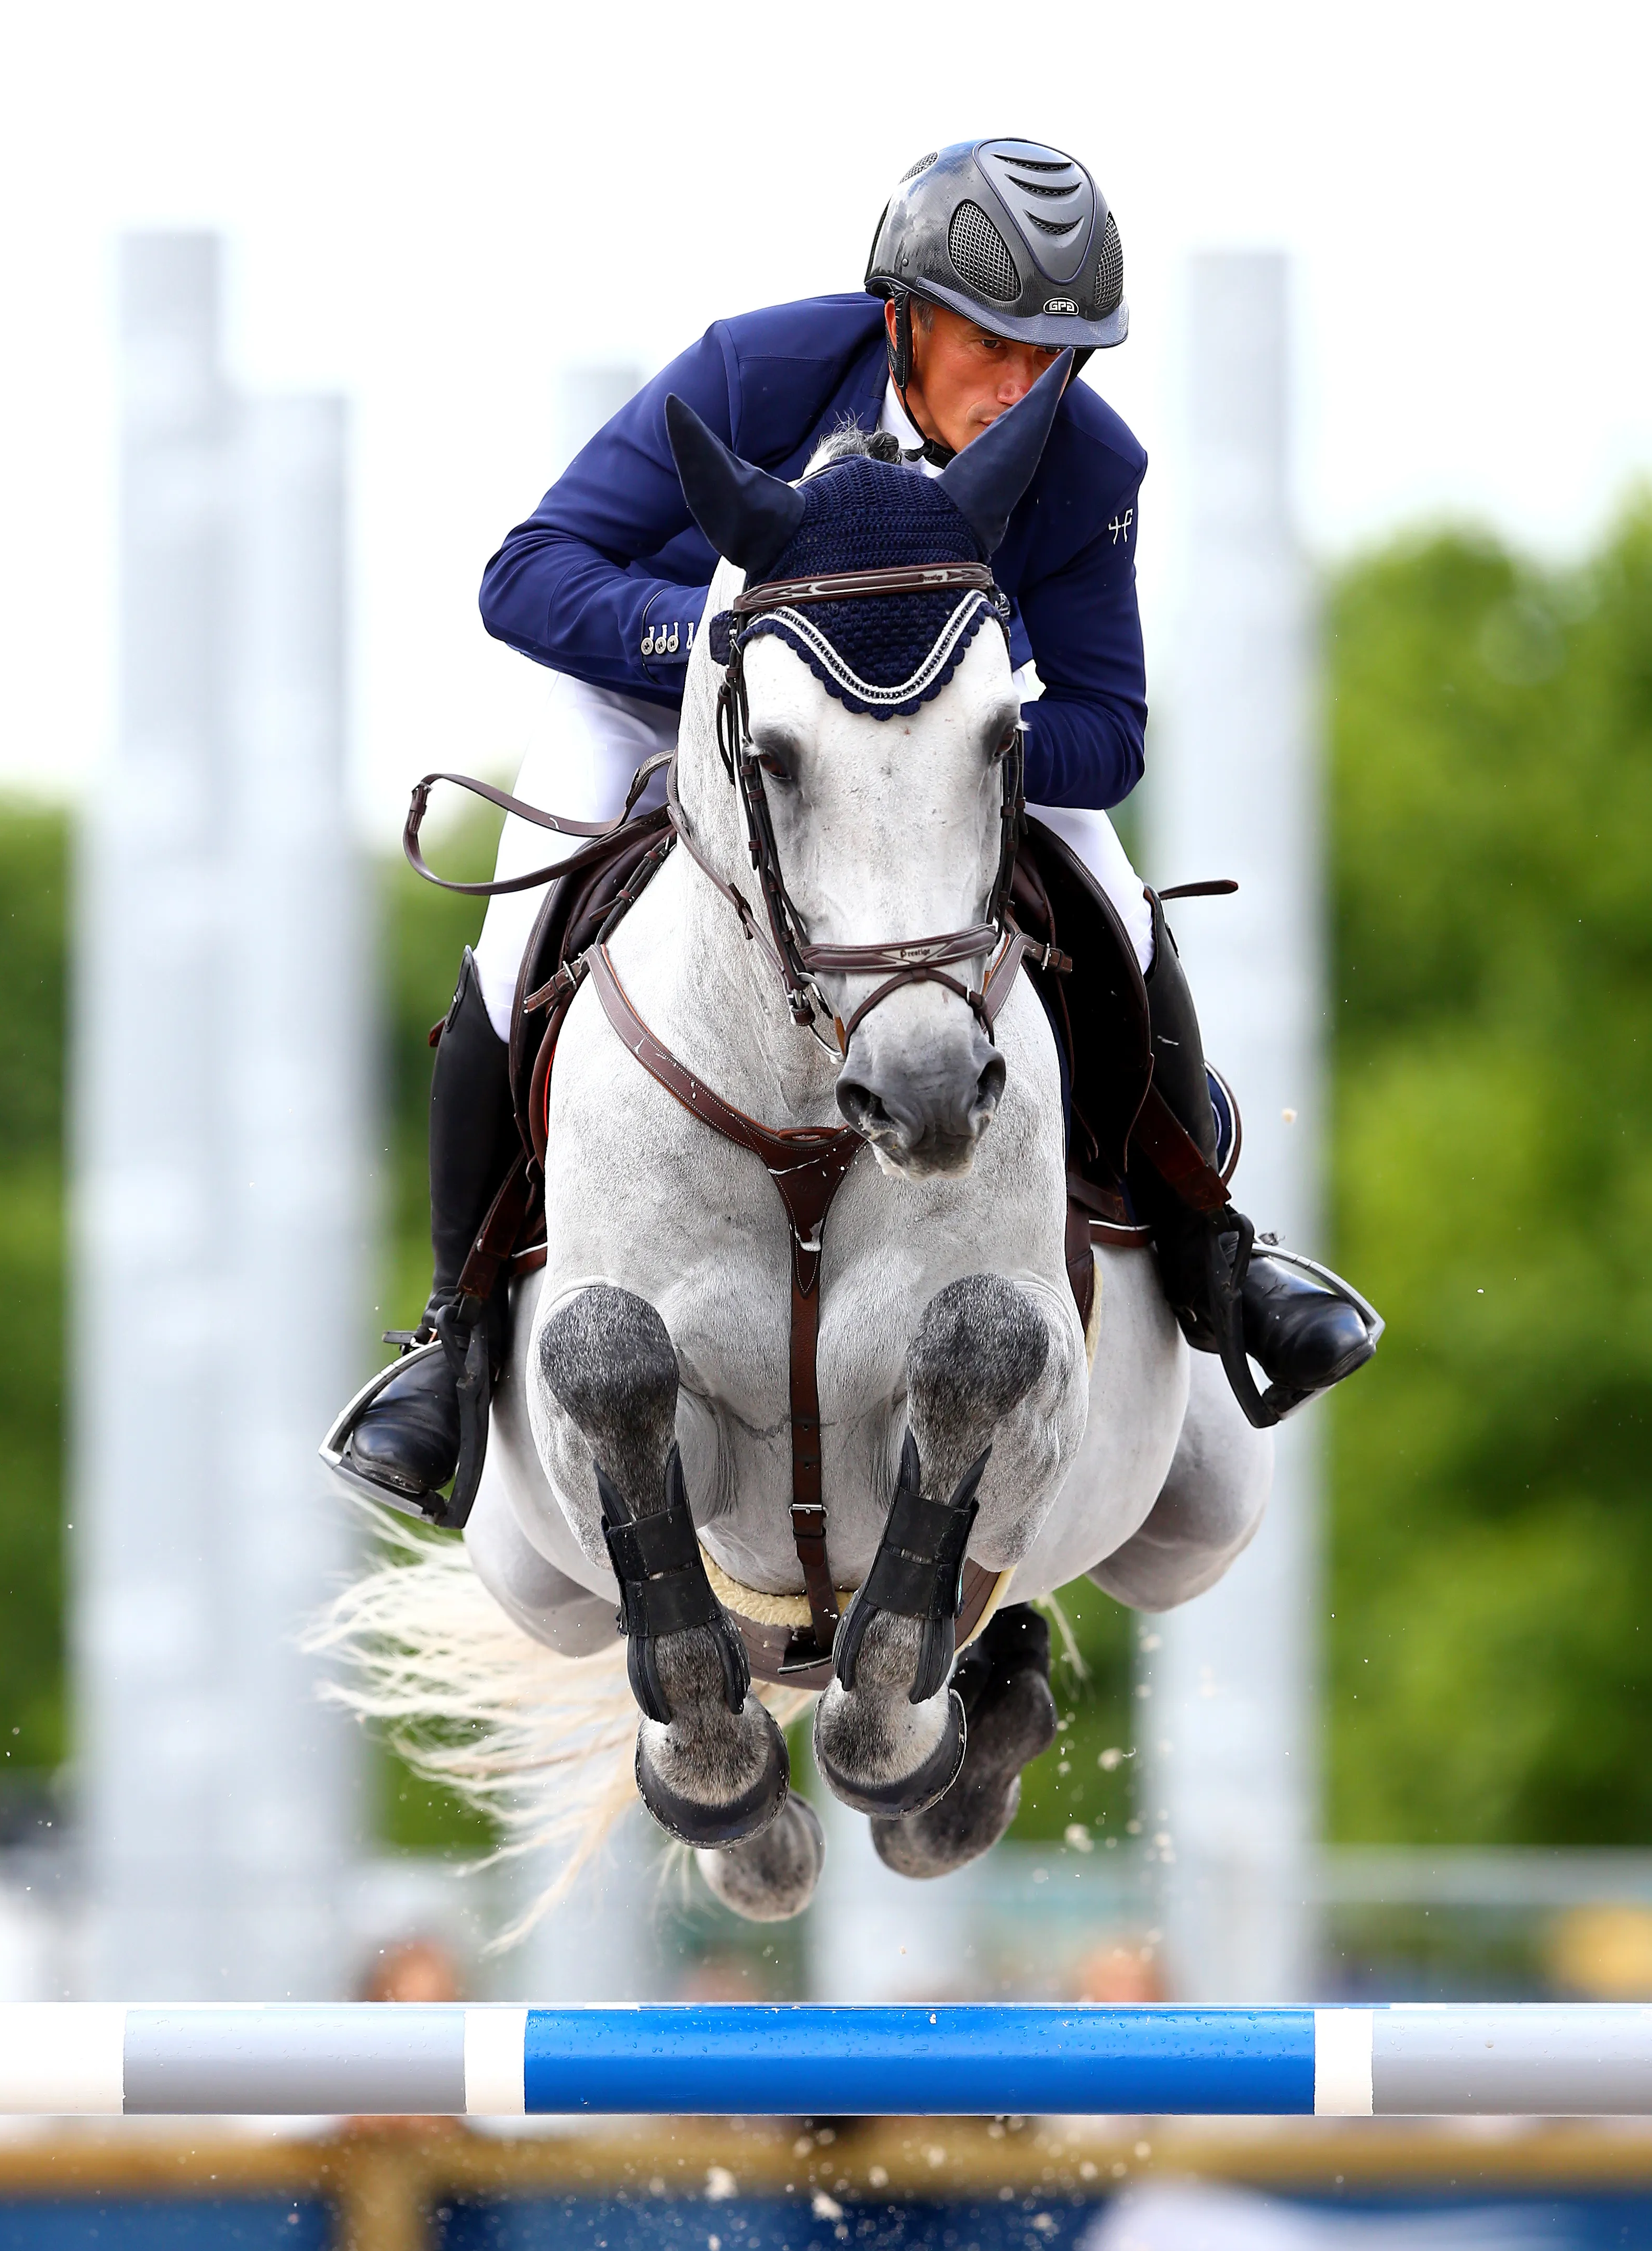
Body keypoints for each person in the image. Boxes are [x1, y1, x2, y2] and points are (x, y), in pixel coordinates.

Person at [339, 139, 1378, 1515]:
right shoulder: (756, 374)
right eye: (995, 343)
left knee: (1116, 899)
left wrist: (956, 739)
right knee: (510, 934)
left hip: (926, 767)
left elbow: (1110, 736)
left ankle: (1214, 1250)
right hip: (671, 707)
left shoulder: (1092, 463)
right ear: (905, 315)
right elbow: (527, 574)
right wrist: (720, 653)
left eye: (1059, 355)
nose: (1024, 387)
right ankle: (454, 1337)